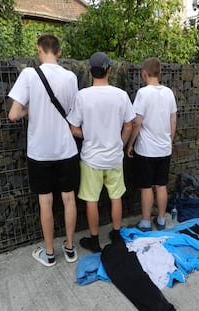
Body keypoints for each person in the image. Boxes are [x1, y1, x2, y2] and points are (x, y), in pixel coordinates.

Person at [8, 34, 79, 266]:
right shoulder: (70, 77)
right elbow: (72, 111)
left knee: (45, 202)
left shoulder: (29, 74)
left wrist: (31, 109)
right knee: (69, 199)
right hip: (66, 149)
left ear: (39, 49)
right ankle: (70, 249)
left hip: (40, 151)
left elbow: (13, 114)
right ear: (58, 52)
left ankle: (49, 254)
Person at [67, 52, 135, 252]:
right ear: (110, 71)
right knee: (116, 197)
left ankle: (94, 240)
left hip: (91, 158)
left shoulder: (83, 96)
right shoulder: (121, 95)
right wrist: (120, 143)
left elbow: (72, 128)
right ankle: (116, 234)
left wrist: (88, 136)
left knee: (91, 200)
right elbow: (129, 126)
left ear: (89, 71)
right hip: (115, 157)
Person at [126, 57, 177, 231]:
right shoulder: (169, 93)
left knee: (146, 187)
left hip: (146, 150)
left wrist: (130, 144)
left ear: (144, 73)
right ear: (160, 73)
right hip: (164, 148)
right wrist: (169, 140)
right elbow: (173, 120)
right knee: (161, 185)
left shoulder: (143, 93)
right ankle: (161, 220)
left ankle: (146, 222)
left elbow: (136, 122)